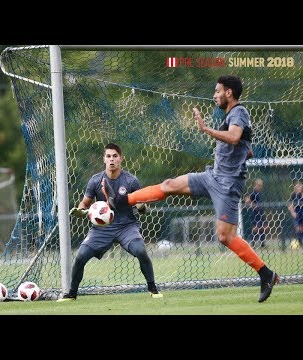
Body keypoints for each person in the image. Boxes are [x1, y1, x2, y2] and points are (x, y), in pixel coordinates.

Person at [105, 75, 279, 303]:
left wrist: (205, 128)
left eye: (218, 91)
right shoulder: (231, 116)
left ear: (229, 93)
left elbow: (235, 137)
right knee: (169, 185)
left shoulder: (239, 112)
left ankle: (266, 274)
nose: (214, 95)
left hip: (227, 184)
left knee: (225, 237)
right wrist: (241, 151)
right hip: (212, 175)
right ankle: (122, 201)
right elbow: (243, 145)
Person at [57, 143, 162, 302]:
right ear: (104, 159)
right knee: (80, 257)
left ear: (121, 158)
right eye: (108, 156)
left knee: (141, 251)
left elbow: (143, 209)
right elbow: (84, 204)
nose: (111, 159)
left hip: (127, 227)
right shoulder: (95, 181)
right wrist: (81, 211)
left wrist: (141, 206)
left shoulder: (131, 181)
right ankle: (72, 294)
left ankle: (152, 288)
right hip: (102, 229)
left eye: (115, 156)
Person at [244, 178, 267, 248]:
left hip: (261, 212)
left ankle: (262, 243)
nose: (260, 187)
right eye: (259, 185)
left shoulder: (260, 193)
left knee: (263, 227)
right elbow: (247, 201)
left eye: (261, 185)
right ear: (255, 185)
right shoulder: (253, 193)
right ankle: (253, 243)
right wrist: (254, 206)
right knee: (255, 228)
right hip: (254, 213)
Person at [287, 182, 303, 247]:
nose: (298, 188)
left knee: (301, 228)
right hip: (297, 214)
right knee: (297, 228)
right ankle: (300, 242)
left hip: (302, 213)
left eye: (299, 187)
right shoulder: (293, 196)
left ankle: (301, 241)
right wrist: (293, 212)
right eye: (297, 187)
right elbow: (289, 205)